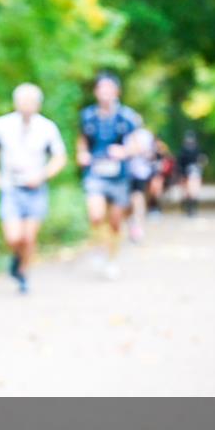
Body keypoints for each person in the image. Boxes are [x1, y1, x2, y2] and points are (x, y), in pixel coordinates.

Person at [0, 83, 66, 293]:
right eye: (22, 101)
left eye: (30, 101)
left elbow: (60, 157)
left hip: (36, 190)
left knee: (29, 237)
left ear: (38, 104)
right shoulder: (2, 125)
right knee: (13, 237)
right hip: (10, 188)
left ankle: (22, 273)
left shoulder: (47, 127)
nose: (26, 105)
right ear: (15, 102)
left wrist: (43, 175)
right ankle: (17, 258)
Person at [76, 72, 141, 280]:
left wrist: (124, 151)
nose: (105, 92)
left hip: (119, 176)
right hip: (95, 173)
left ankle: (111, 259)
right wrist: (82, 154)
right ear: (96, 92)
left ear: (116, 92)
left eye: (109, 88)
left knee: (115, 222)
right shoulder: (87, 116)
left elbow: (137, 145)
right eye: (101, 88)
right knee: (95, 215)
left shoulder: (127, 116)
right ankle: (100, 248)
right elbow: (82, 142)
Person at [126, 124, 156, 242]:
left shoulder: (145, 135)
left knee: (137, 198)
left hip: (139, 173)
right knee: (127, 202)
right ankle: (132, 224)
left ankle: (138, 226)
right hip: (122, 174)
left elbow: (148, 152)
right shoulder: (121, 131)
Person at [177, 130, 206, 216]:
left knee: (193, 191)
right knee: (188, 192)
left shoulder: (196, 150)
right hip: (187, 173)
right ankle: (190, 208)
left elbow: (202, 161)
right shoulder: (184, 150)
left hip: (194, 173)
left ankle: (191, 208)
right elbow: (180, 163)